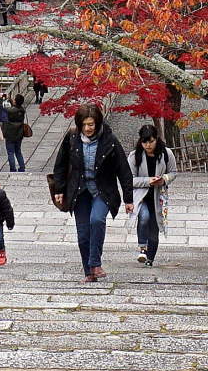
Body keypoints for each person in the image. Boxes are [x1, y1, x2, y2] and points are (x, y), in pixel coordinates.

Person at [49, 103, 133, 281]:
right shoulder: (71, 138)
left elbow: (123, 169)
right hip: (79, 190)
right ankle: (89, 272)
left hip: (102, 190)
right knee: (83, 233)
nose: (88, 128)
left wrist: (128, 198)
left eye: (91, 124)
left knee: (97, 220)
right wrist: (59, 189)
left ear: (98, 123)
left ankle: (95, 262)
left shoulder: (109, 139)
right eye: (84, 124)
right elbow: (61, 164)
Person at [128, 124, 177, 266]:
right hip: (140, 196)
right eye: (145, 142)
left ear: (156, 139)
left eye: (151, 141)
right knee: (144, 217)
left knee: (154, 232)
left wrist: (164, 179)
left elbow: (173, 173)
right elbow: (129, 180)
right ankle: (142, 248)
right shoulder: (134, 156)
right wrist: (148, 181)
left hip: (158, 197)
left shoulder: (166, 154)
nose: (148, 145)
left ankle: (150, 259)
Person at [0, 94, 28, 172]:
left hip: (10, 134)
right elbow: (15, 108)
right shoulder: (22, 110)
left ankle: (13, 168)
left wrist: (2, 100)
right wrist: (12, 101)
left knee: (10, 152)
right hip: (19, 133)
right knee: (18, 151)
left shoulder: (10, 111)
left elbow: (4, 109)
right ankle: (22, 167)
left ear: (15, 101)